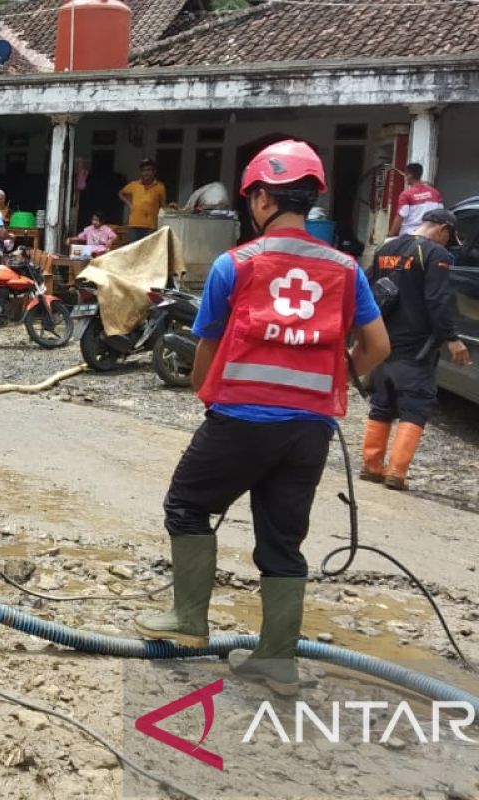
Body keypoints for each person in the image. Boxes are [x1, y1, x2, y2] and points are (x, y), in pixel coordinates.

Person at [132, 140, 390, 695]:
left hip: (241, 420)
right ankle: (277, 660)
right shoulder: (346, 269)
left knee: (187, 503)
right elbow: (377, 346)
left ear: (265, 198)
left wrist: (206, 390)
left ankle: (189, 622)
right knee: (282, 540)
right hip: (310, 431)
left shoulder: (237, 263)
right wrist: (338, 377)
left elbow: (207, 346)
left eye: (253, 197)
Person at [362, 208, 471, 490]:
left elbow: (366, 285)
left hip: (384, 343)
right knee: (416, 405)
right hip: (416, 348)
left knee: (383, 402)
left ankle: (372, 465)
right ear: (442, 229)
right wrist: (452, 338)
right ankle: (396, 472)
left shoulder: (389, 246)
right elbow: (437, 300)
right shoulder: (437, 255)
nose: (448, 244)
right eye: (449, 238)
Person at [389, 163, 444, 238]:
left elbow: (400, 217)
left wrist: (390, 235)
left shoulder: (406, 194)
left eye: (406, 175)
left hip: (409, 237)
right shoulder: (436, 193)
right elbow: (441, 215)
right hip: (430, 237)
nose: (405, 177)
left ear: (410, 175)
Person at [119, 158, 167, 243]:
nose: (146, 173)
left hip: (150, 226)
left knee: (148, 252)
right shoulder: (134, 185)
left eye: (149, 170)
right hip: (134, 224)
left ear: (154, 171)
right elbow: (121, 193)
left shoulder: (160, 187)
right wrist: (129, 205)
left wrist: (171, 208)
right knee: (133, 251)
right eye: (144, 170)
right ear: (141, 172)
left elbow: (164, 206)